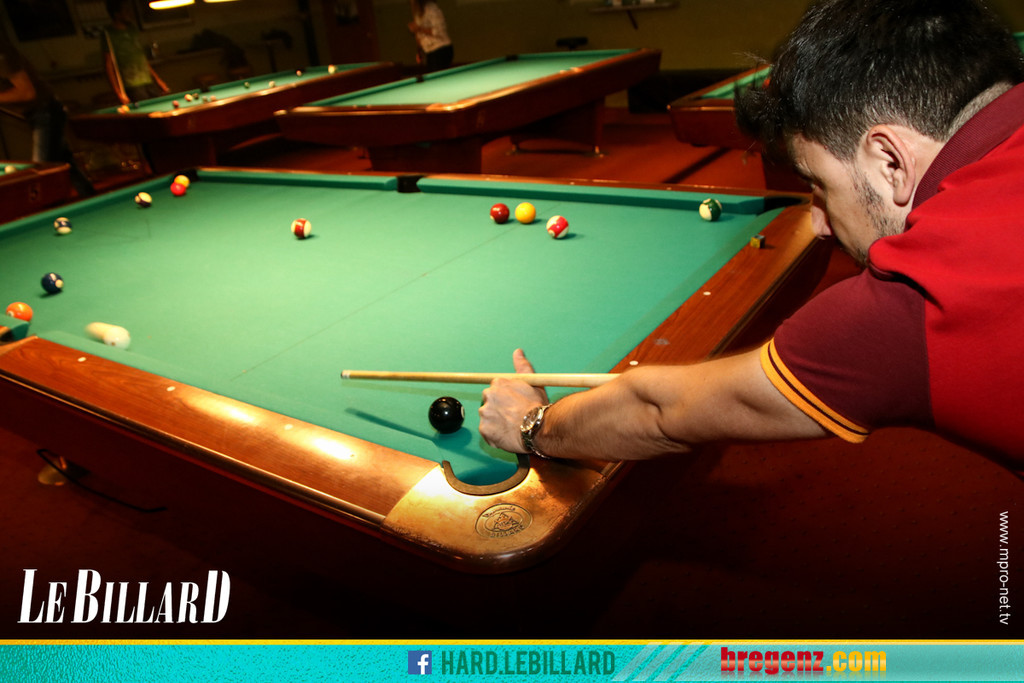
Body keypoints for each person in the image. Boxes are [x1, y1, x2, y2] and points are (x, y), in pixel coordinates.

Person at [478, 0, 1024, 471]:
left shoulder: (913, 301)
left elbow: (660, 411)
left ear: (890, 161)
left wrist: (531, 424)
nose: (818, 222)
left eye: (818, 183)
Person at [0, 30, 67, 163]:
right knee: (64, 166)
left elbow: (27, 93)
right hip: (36, 113)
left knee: (43, 168)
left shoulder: (2, 55)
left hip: (45, 111)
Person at [103, 0, 170, 104]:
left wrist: (158, 80)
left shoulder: (132, 30)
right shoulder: (108, 34)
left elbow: (142, 59)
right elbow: (109, 66)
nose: (130, 13)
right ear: (117, 14)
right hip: (132, 85)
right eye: (126, 10)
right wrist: (118, 93)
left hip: (148, 81)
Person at [408, 0, 453, 72]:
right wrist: (419, 51)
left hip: (441, 49)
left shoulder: (431, 8)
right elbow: (419, 35)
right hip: (430, 52)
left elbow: (439, 30)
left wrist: (419, 28)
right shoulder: (417, 13)